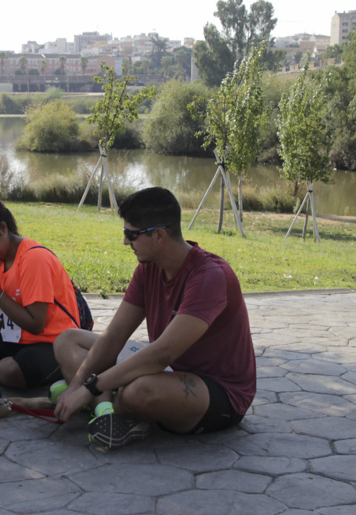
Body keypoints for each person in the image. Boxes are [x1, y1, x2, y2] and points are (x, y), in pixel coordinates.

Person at [53, 187, 256, 450]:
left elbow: (162, 354)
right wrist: (77, 385)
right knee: (68, 339)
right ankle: (108, 410)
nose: (126, 242)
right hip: (166, 371)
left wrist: (88, 387)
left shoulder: (209, 276)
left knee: (138, 391)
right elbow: (114, 336)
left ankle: (110, 404)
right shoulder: (148, 269)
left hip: (217, 390)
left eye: (131, 234)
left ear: (158, 235)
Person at [0, 198, 80, 389]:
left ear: (3, 228)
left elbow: (36, 325)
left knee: (6, 371)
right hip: (16, 339)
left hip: (53, 342)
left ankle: (66, 369)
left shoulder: (34, 258)